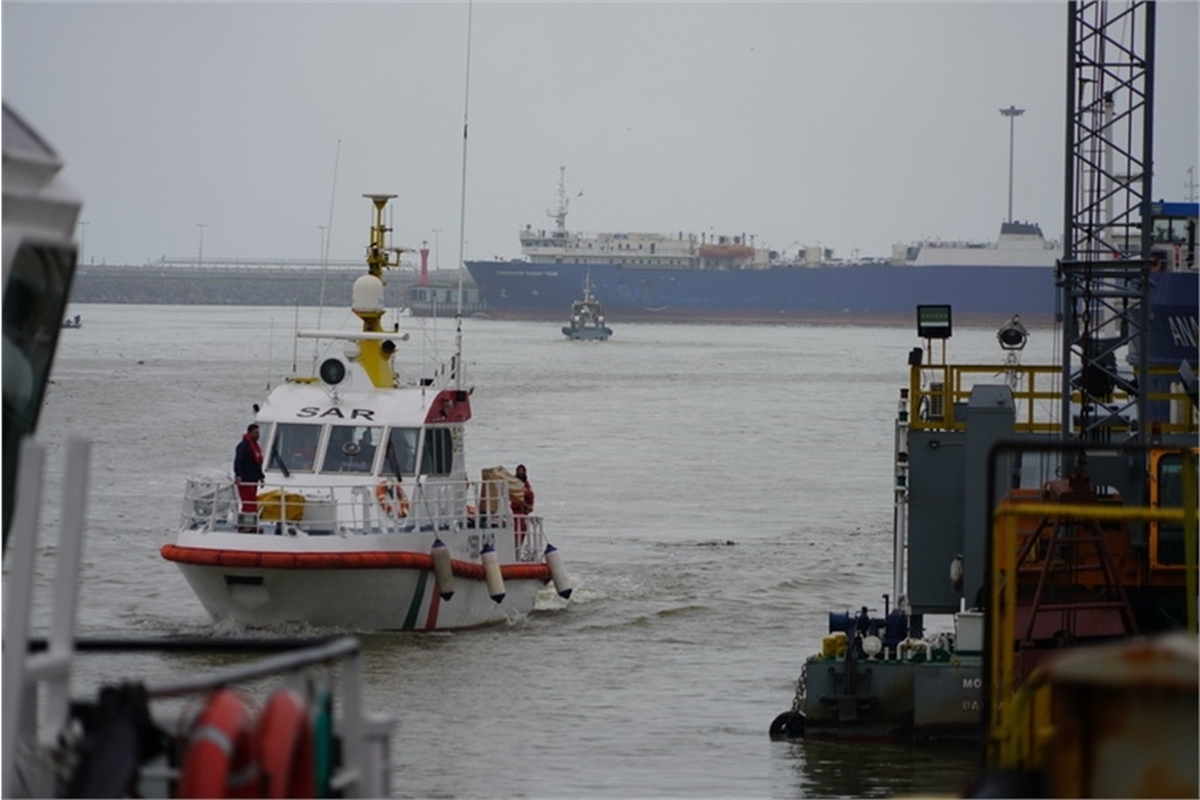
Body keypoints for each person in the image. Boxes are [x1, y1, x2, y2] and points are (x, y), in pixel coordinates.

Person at [234, 423, 265, 529]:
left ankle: (250, 524)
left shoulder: (255, 447)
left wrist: (261, 477)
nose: (258, 435)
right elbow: (239, 461)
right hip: (245, 479)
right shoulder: (243, 447)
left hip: (253, 479)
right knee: (248, 503)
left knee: (252, 502)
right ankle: (246, 525)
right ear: (250, 433)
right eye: (256, 433)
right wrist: (239, 475)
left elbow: (258, 464)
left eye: (258, 433)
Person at [511, 464, 535, 543]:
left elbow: (531, 497)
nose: (520, 473)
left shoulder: (527, 485)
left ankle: (518, 548)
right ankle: (515, 547)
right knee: (516, 531)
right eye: (519, 471)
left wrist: (529, 507)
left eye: (522, 471)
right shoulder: (513, 484)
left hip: (523, 513)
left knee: (522, 531)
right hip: (514, 512)